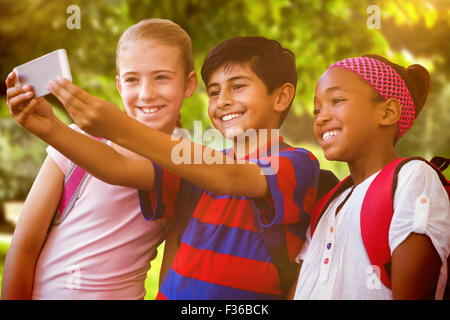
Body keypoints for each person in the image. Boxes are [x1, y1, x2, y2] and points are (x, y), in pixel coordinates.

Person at [9, 36, 320, 299]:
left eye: (238, 86)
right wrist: (50, 127)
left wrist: (118, 127)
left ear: (281, 96)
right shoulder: (193, 166)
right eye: (213, 91)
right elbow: (116, 167)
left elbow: (230, 177)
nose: (223, 100)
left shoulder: (296, 163)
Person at [2, 18, 197, 299]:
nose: (146, 93)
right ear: (119, 85)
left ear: (189, 84)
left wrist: (53, 129)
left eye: (162, 77)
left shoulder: (188, 160)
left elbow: (172, 269)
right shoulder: (77, 140)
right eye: (132, 79)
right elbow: (24, 247)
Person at [293, 55, 450, 299]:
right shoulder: (327, 206)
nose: (320, 117)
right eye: (317, 109)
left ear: (388, 112)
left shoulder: (413, 178)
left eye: (336, 100)